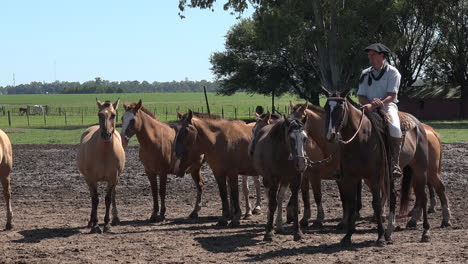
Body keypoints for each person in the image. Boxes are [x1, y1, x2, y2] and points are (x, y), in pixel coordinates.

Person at [357, 43, 402, 178]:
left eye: (373, 55)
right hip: (368, 106)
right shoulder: (365, 73)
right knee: (348, 123)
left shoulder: (393, 72)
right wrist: (370, 104)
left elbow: (392, 95)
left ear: (382, 56)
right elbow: (360, 95)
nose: (370, 57)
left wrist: (378, 104)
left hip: (387, 106)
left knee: (394, 128)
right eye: (369, 55)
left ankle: (395, 162)